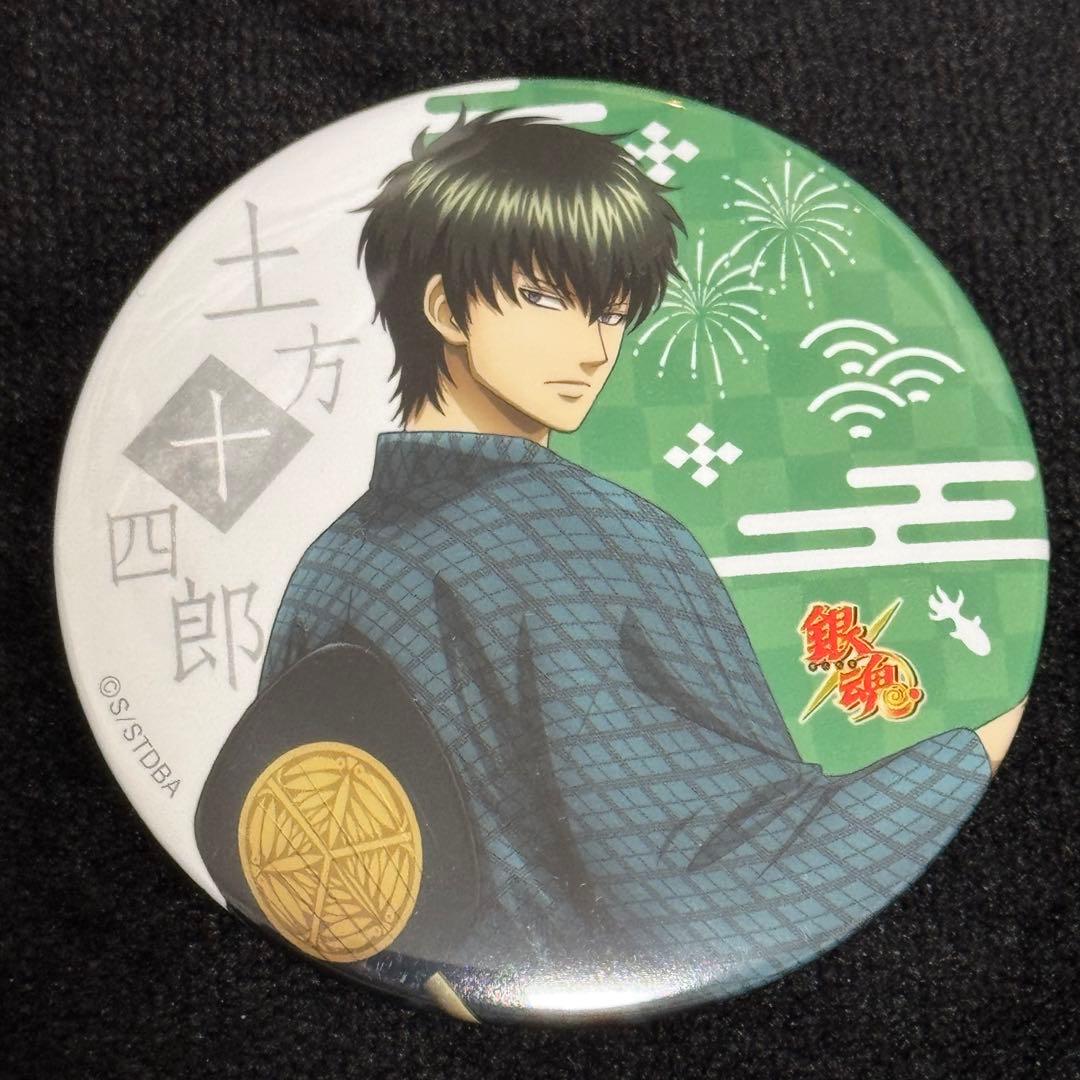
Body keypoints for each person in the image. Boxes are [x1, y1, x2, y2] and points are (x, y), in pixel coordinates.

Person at [201, 113, 1016, 1018]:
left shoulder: (331, 560)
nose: (594, 346)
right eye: (547, 298)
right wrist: (980, 751)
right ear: (445, 309)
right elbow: (714, 882)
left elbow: (292, 866)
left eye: (614, 311)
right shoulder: (595, 542)